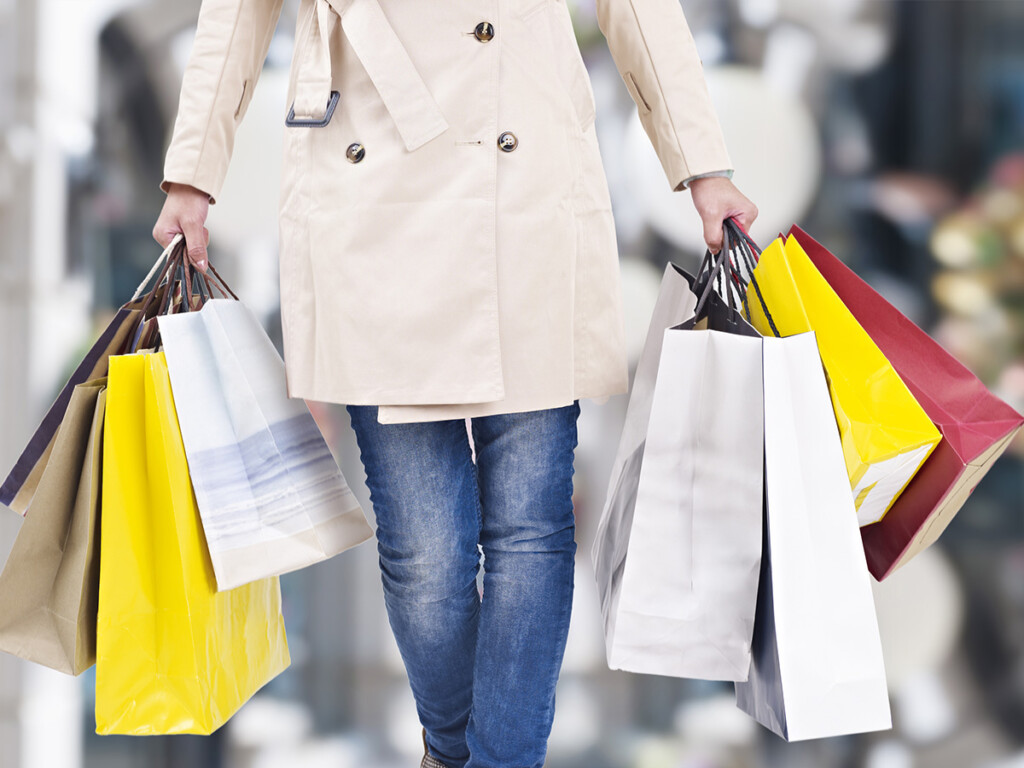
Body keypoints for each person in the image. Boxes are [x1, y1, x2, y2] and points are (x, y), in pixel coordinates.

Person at [152, 0, 757, 765]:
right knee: (426, 552)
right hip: (369, 189)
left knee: (531, 529)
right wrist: (192, 177)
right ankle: (449, 748)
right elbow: (236, 14)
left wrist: (702, 165)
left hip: (524, 189)